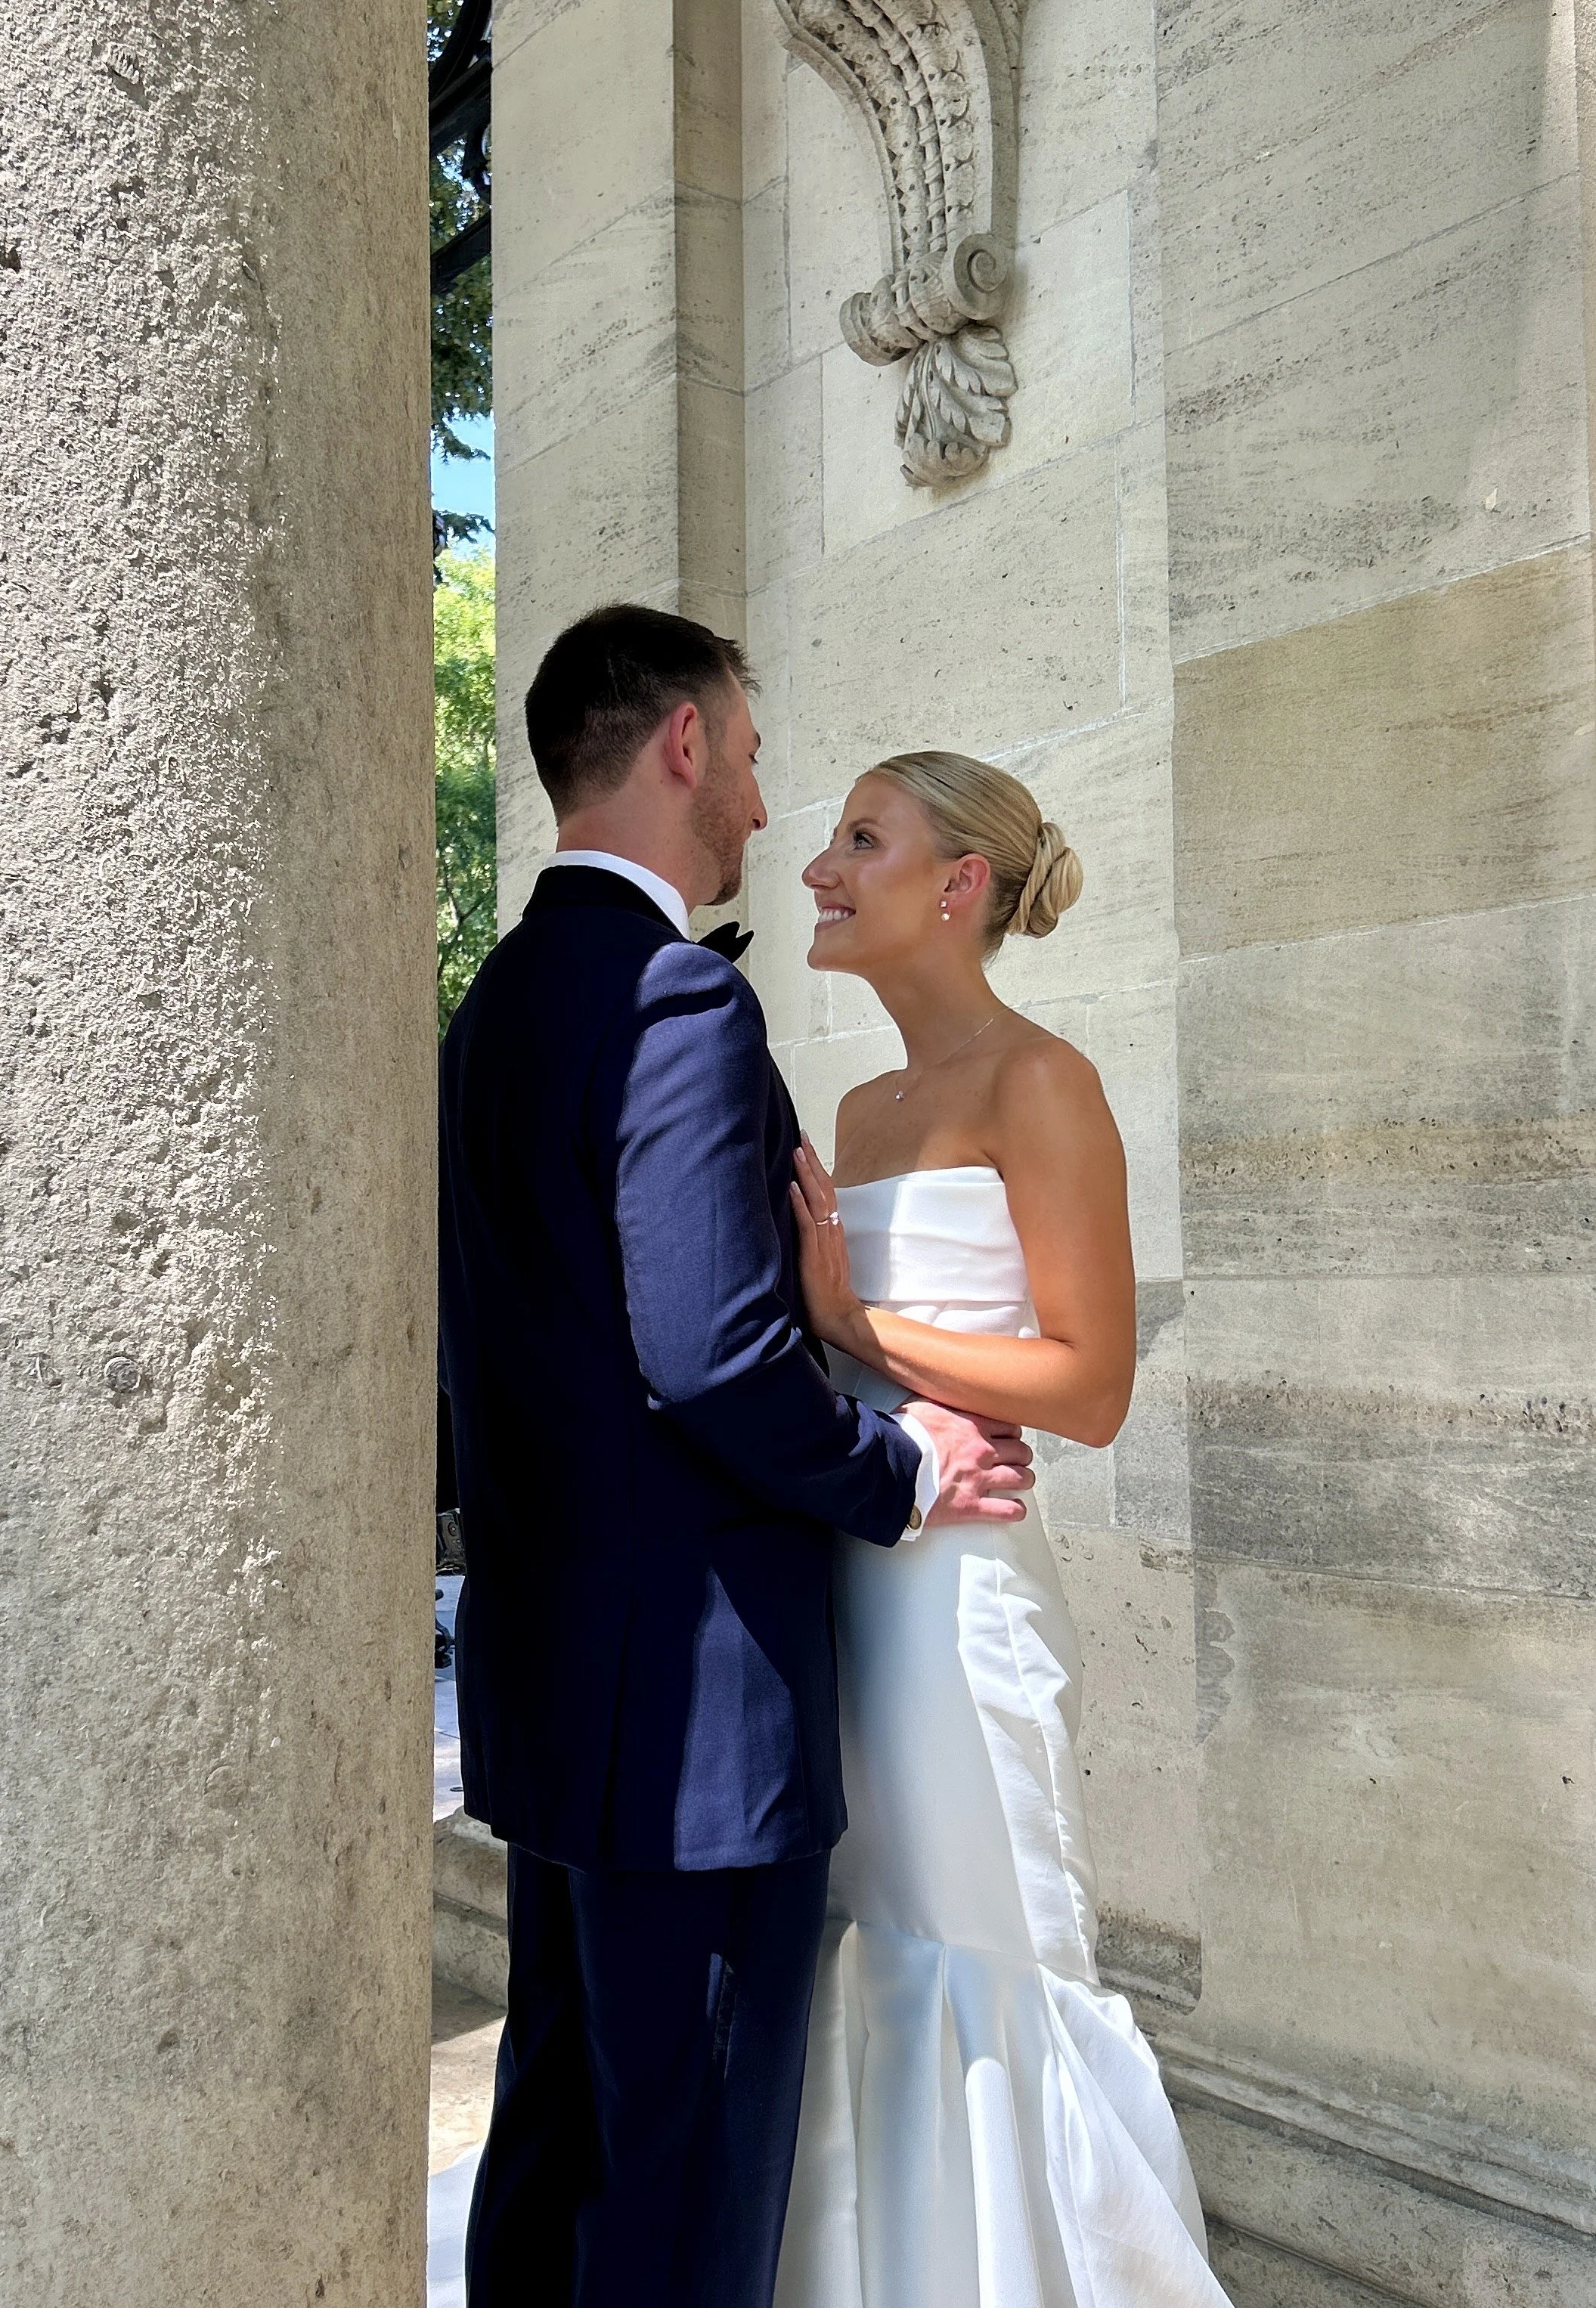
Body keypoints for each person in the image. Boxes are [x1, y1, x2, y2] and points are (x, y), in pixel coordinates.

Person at [436, 612, 1037, 2308]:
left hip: (555, 1701)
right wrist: (901, 1470)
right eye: (757, 760)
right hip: (696, 1723)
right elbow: (710, 1353)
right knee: (687, 2198)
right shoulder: (678, 994)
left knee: (554, 2144)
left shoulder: (487, 1014)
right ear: (683, 744)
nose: (767, 812)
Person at [774, 753, 1231, 2306]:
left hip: (963, 1607)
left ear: (956, 883)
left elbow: (1088, 1383)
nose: (817, 867)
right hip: (853, 1584)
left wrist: (857, 1314)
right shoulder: (855, 1100)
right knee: (875, 1932)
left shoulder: (1043, 1080)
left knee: (998, 1945)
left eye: (859, 839)